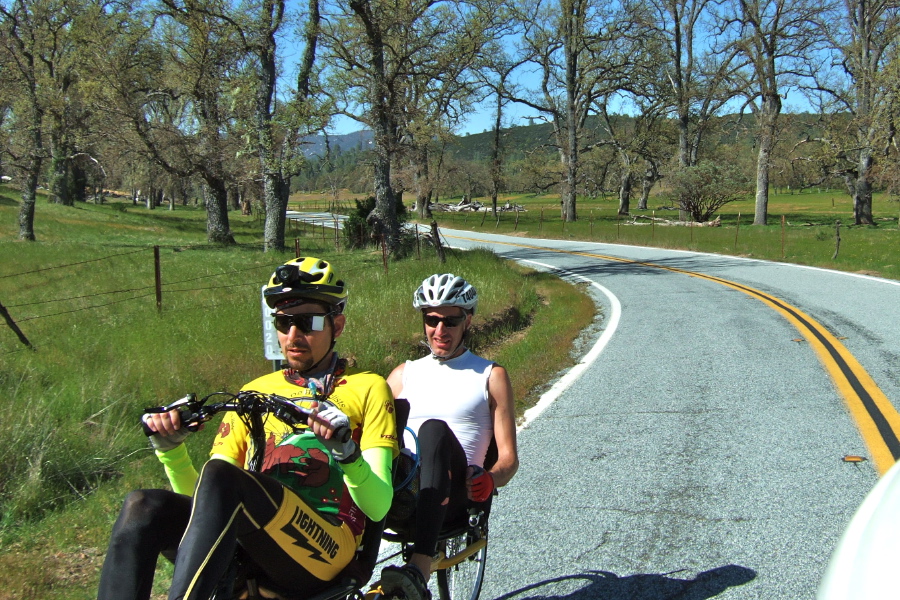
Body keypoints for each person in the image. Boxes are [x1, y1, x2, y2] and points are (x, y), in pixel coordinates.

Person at [96, 257, 399, 600]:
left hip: (326, 542)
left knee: (225, 477)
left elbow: (378, 506)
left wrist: (347, 452)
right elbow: (208, 503)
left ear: (338, 325)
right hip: (253, 542)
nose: (293, 335)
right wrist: (171, 451)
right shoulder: (254, 392)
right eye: (283, 323)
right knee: (142, 506)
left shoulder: (368, 387)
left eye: (308, 322)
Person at [379, 273, 519, 600]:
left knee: (433, 430)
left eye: (450, 321)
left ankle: (420, 567)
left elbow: (509, 460)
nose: (440, 330)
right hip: (402, 488)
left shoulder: (490, 375)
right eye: (431, 320)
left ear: (467, 320)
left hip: (457, 492)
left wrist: (492, 479)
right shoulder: (403, 374)